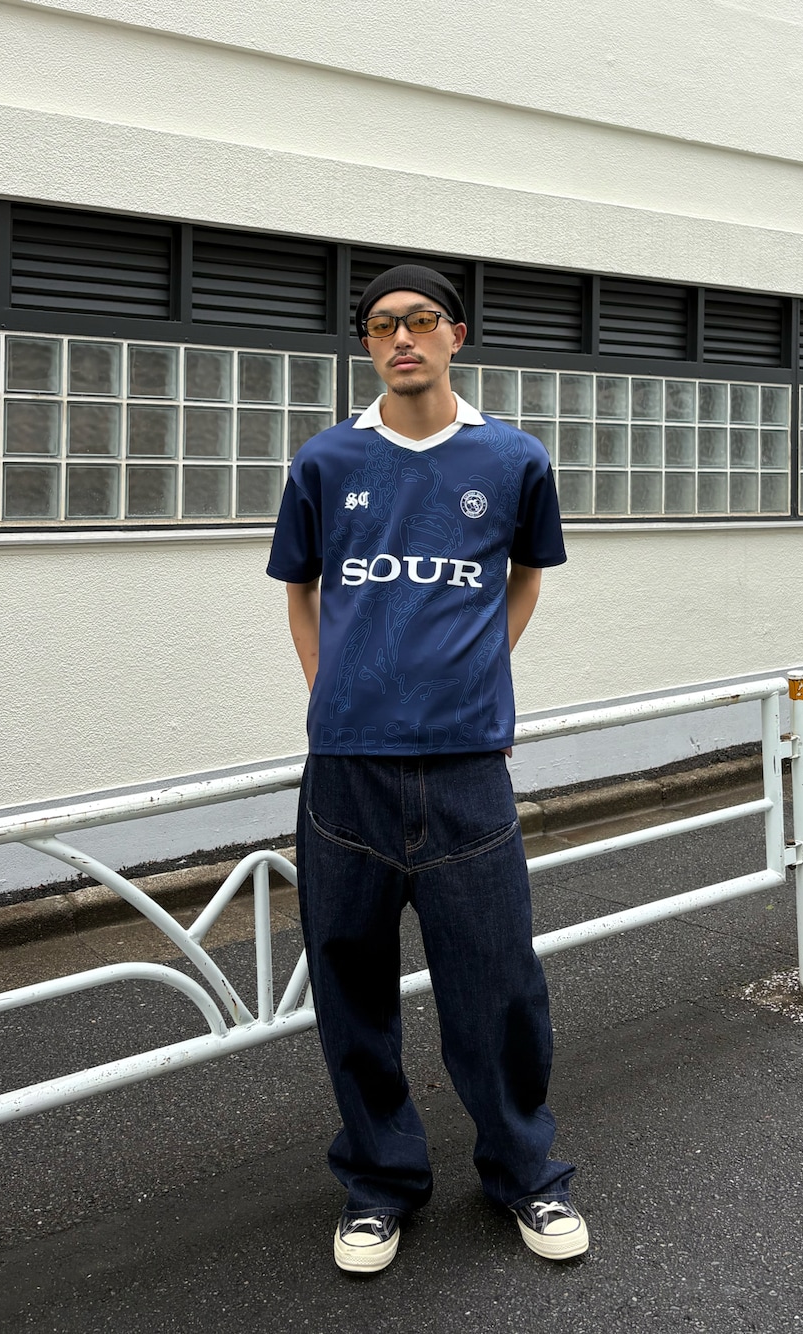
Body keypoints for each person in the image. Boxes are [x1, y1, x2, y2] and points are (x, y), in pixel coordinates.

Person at [266, 264, 587, 1273]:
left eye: (418, 321)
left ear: (456, 334)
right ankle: (379, 1183)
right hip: (347, 769)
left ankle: (525, 1173)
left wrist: (485, 665)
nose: (399, 338)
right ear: (368, 345)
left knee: (497, 988)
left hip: (466, 766)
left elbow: (526, 575)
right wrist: (328, 688)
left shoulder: (513, 458)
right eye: (378, 325)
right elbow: (300, 588)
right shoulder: (326, 460)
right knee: (351, 987)